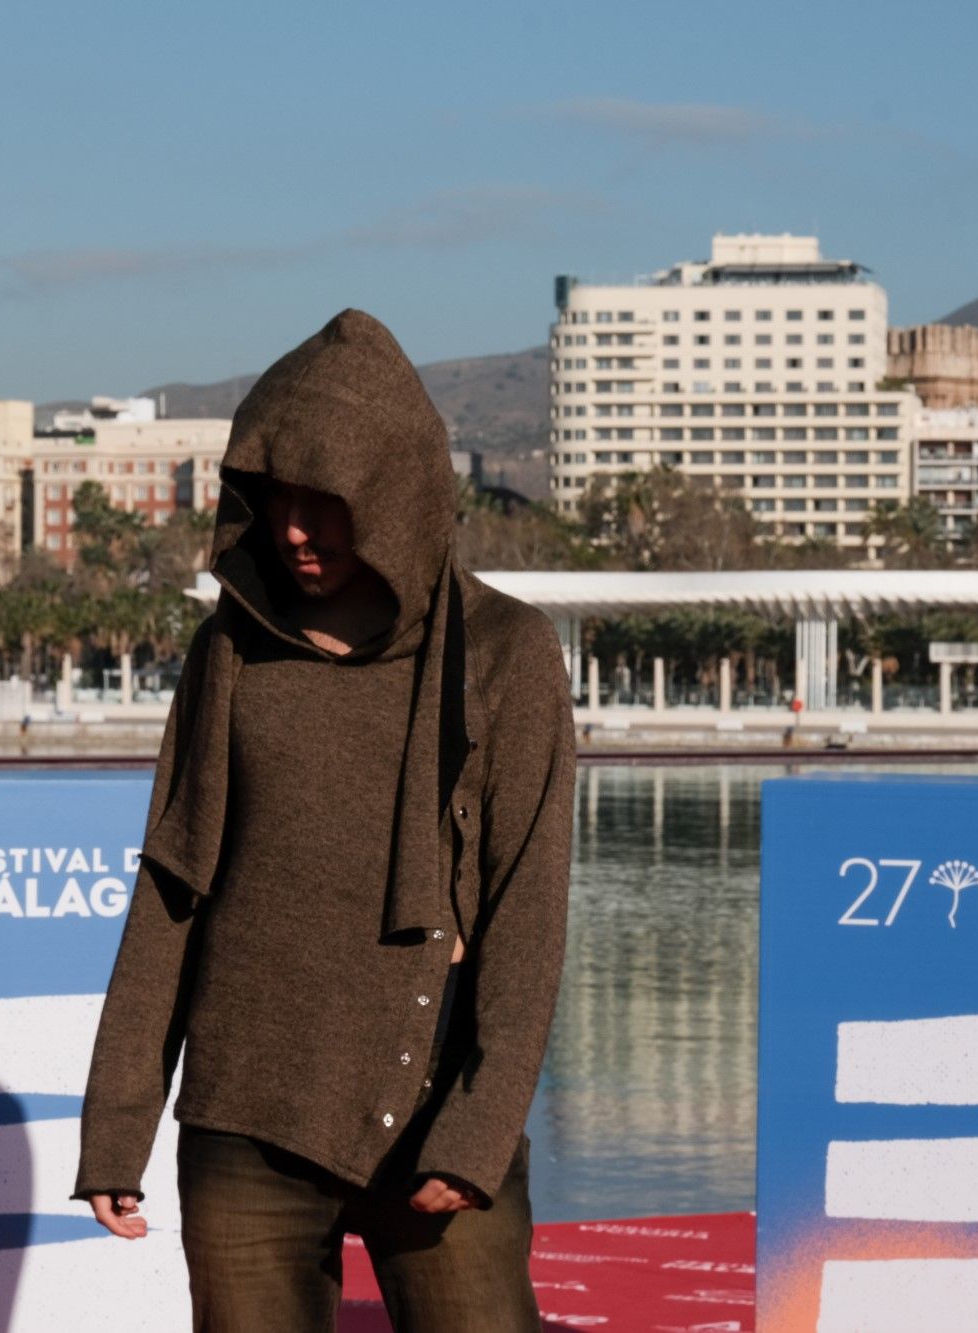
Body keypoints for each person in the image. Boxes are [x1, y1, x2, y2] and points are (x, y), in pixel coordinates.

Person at [73, 308, 576, 1332]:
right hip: (243, 1106)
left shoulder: (505, 652)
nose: (298, 531)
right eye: (278, 500)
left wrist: (477, 1131)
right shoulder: (231, 653)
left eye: (330, 502)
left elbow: (527, 909)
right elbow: (172, 888)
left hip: (427, 1104)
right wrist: (116, 1124)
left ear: (397, 491)